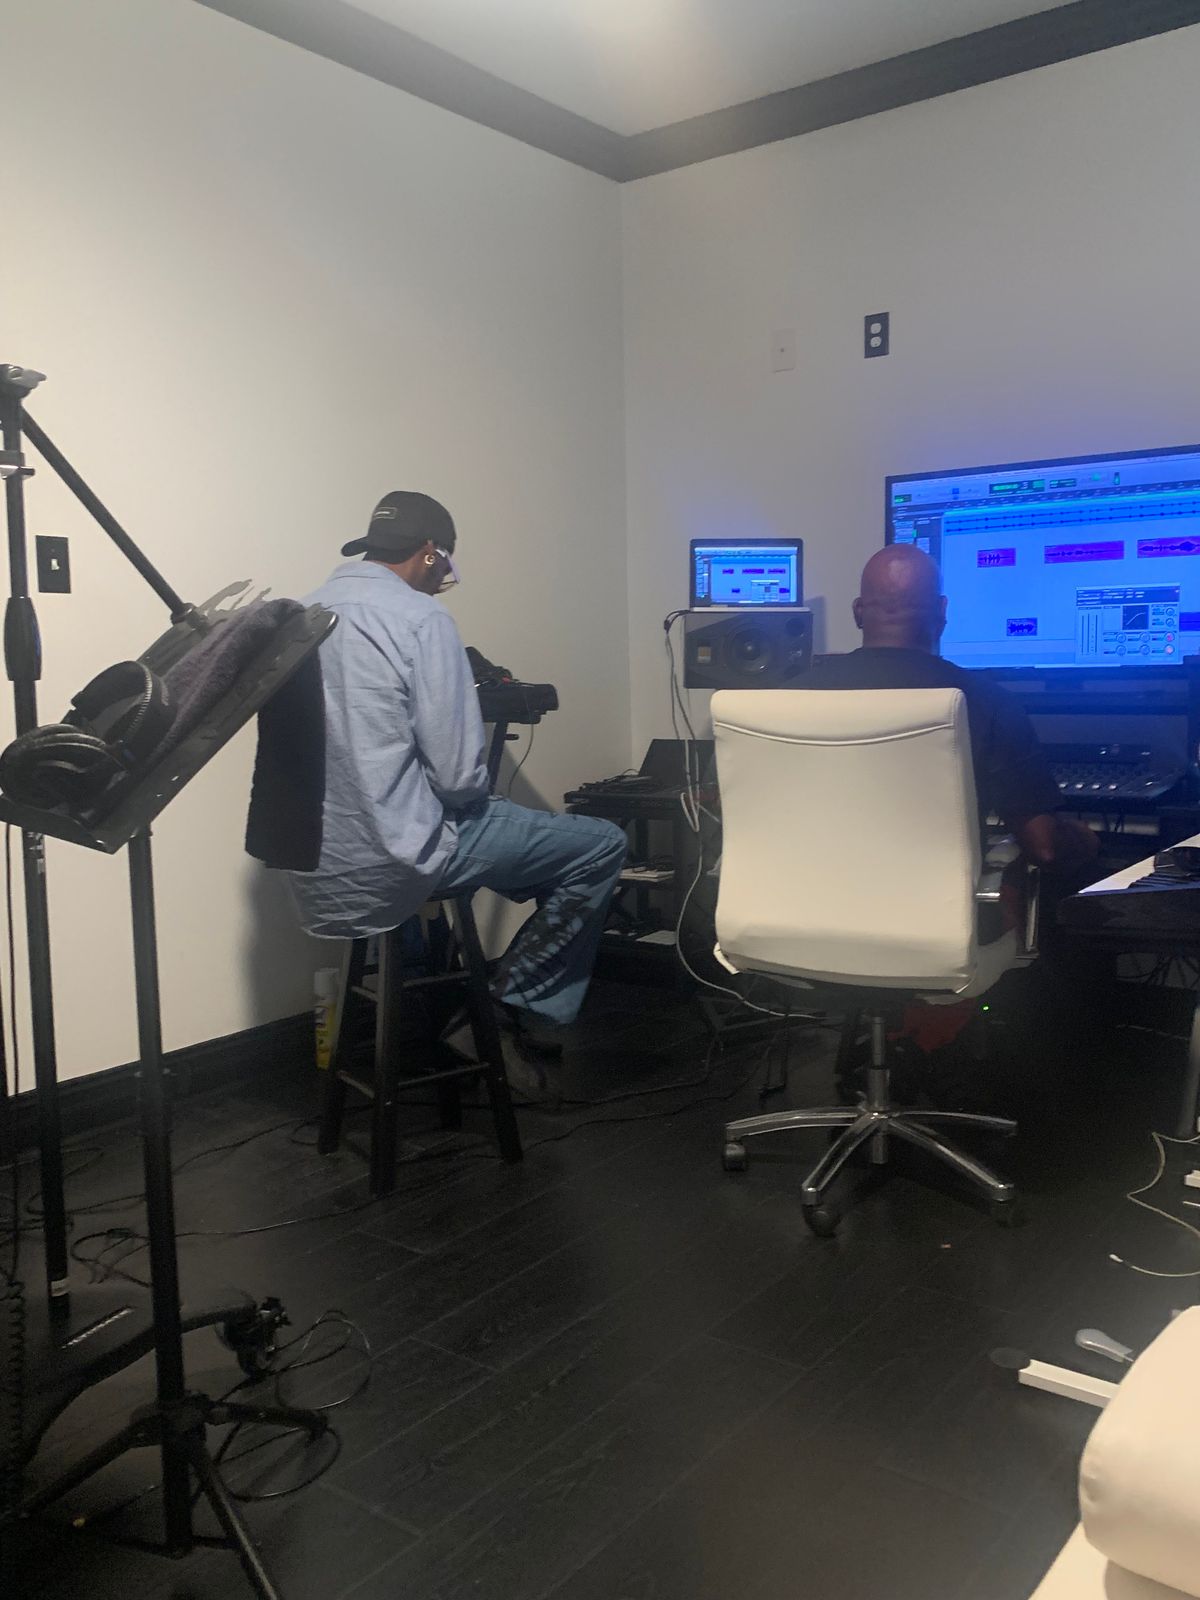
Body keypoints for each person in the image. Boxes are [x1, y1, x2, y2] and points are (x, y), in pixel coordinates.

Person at [286, 490, 627, 1100]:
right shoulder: (421, 619)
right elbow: (458, 778)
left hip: (319, 863)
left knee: (494, 838)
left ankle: (448, 1015)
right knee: (599, 845)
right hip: (402, 859)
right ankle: (502, 1011)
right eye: (445, 563)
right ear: (429, 553)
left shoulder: (303, 614)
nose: (445, 575)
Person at [804, 544, 1098, 870]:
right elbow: (1044, 848)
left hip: (804, 894)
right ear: (942, 611)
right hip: (929, 900)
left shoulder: (787, 699)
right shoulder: (988, 702)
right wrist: (1086, 838)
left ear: (858, 612)